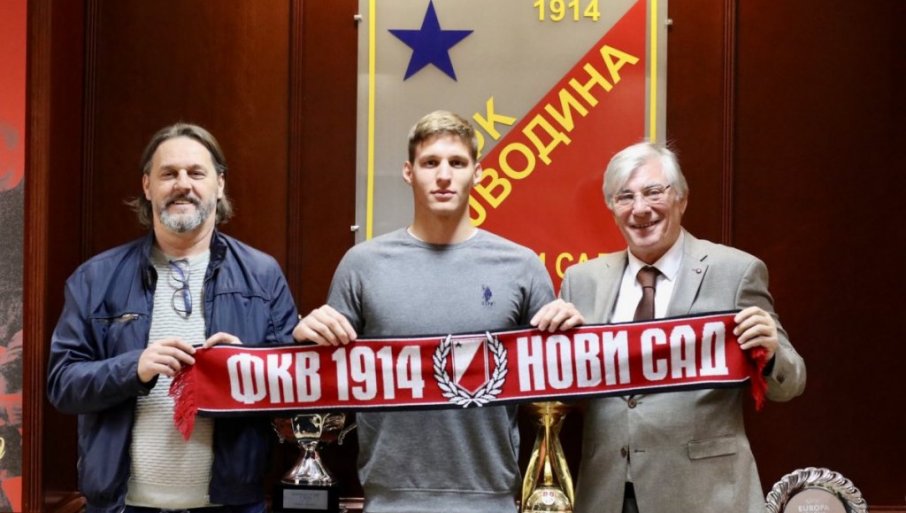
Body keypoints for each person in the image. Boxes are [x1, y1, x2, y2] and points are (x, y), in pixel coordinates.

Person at [293, 110, 555, 513]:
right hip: (389, 499)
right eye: (430, 163)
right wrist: (303, 341)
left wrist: (570, 333)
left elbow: (555, 380)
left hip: (490, 498)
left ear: (478, 174)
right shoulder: (362, 264)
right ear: (408, 172)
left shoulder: (522, 266)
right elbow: (326, 377)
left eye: (457, 163)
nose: (444, 176)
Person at [532, 141, 806, 513]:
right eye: (625, 197)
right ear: (611, 207)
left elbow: (791, 383)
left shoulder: (735, 271)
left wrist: (771, 355)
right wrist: (552, 347)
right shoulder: (582, 281)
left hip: (706, 496)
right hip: (608, 494)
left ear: (682, 198)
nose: (640, 208)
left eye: (653, 192)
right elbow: (560, 391)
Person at [47, 123, 298, 513]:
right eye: (168, 174)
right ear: (147, 186)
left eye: (196, 173)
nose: (183, 184)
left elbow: (294, 391)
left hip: (232, 505)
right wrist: (135, 367)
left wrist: (244, 366)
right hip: (122, 506)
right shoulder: (95, 278)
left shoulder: (262, 276)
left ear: (219, 184)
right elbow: (62, 384)